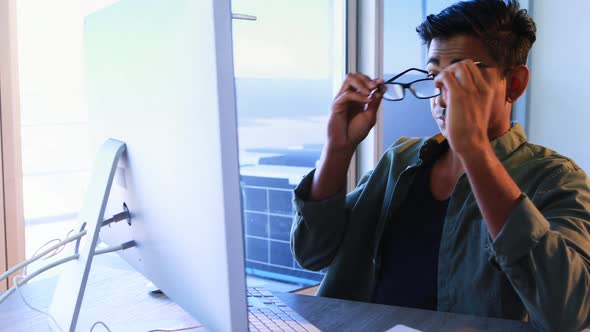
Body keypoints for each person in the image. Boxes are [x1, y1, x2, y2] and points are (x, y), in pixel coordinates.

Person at [290, 1, 590, 331]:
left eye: (462, 77)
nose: (441, 95)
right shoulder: (399, 160)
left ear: (514, 84)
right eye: (434, 76)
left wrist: (473, 149)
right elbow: (312, 253)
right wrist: (337, 148)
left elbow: (569, 313)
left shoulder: (556, 179)